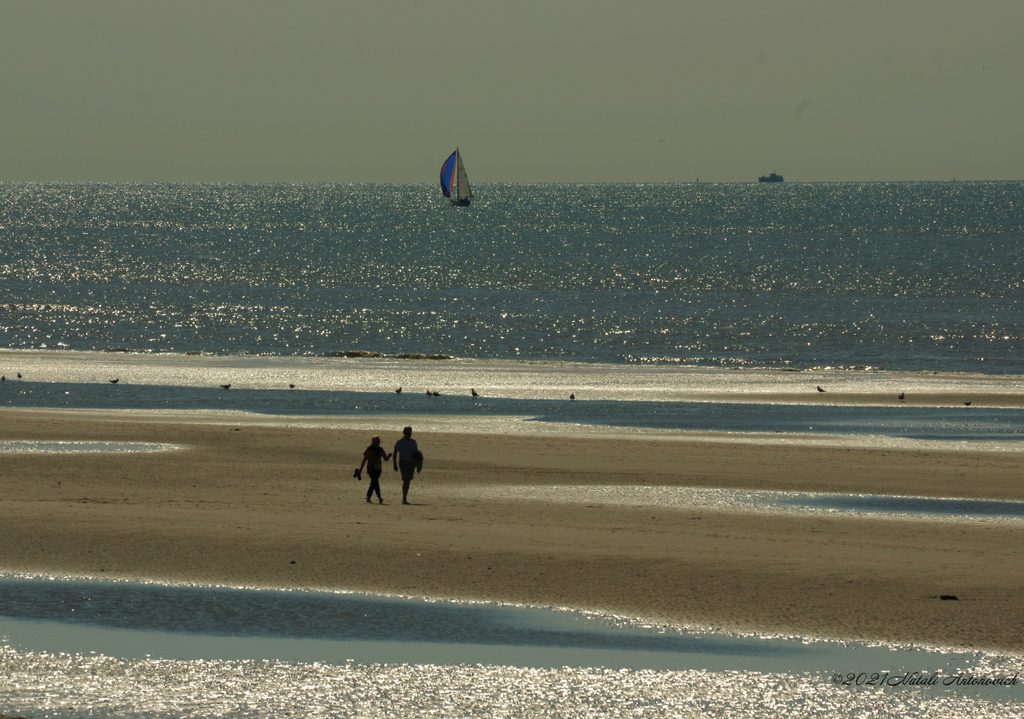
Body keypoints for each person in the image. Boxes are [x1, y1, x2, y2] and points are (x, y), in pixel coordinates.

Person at [359, 436, 391, 504]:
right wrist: (360, 469)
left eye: (379, 441)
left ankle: (370, 497)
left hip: (378, 468)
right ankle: (378, 497)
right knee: (375, 481)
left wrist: (389, 456)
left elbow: (385, 459)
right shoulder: (369, 449)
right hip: (371, 467)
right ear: (373, 442)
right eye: (377, 441)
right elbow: (364, 460)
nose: (379, 442)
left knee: (374, 482)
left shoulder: (380, 449)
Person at [393, 426, 420, 505]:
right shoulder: (400, 442)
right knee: (406, 480)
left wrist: (417, 463)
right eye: (407, 433)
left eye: (410, 433)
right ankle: (404, 498)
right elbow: (395, 452)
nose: (409, 434)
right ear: (404, 433)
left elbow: (416, 453)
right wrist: (394, 464)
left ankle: (405, 497)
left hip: (411, 463)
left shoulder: (413, 442)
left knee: (408, 481)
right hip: (403, 463)